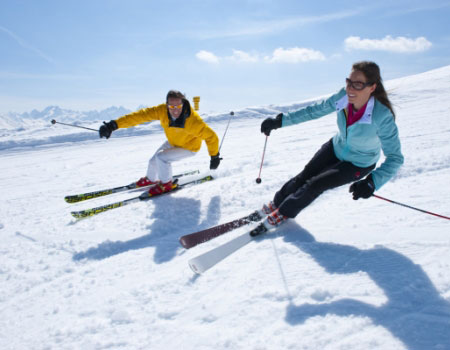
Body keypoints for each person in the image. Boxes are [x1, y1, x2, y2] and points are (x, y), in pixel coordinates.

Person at [254, 61, 404, 235]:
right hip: (336, 147)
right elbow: (315, 111)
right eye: (349, 82)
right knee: (304, 176)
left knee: (315, 185)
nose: (350, 89)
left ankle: (283, 212)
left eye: (358, 84)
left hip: (359, 163)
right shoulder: (343, 97)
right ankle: (278, 202)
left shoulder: (382, 117)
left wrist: (372, 182)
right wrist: (281, 121)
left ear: (372, 87)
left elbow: (395, 157)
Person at [99, 90, 221, 195]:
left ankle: (167, 184)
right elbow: (140, 116)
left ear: (183, 104)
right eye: (171, 107)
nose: (175, 110)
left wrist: (214, 156)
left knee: (161, 158)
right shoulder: (161, 111)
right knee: (153, 161)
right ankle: (151, 179)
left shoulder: (192, 121)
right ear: (167, 105)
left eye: (178, 106)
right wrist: (113, 125)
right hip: (174, 142)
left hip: (189, 147)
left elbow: (211, 137)